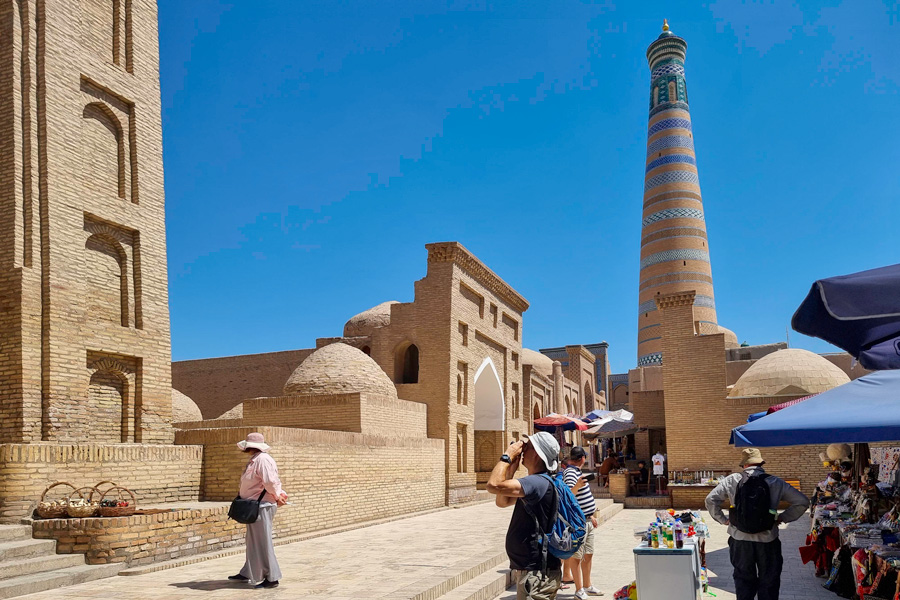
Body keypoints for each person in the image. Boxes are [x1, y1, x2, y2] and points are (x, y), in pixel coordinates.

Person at [705, 448, 810, 600]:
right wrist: (782, 518)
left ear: (744, 465)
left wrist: (723, 520)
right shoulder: (775, 481)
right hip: (767, 540)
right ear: (761, 463)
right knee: (769, 580)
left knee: (743, 580)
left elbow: (710, 500)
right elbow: (802, 501)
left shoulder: (732, 480)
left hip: (740, 539)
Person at [486, 431, 562, 600]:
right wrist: (511, 469)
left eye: (526, 447)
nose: (522, 451)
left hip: (536, 572)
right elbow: (502, 501)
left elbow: (493, 485)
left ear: (536, 453)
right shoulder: (538, 482)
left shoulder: (536, 483)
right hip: (535, 570)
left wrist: (506, 456)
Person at [228, 432, 288, 589]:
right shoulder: (255, 460)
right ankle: (249, 571)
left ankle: (271, 577)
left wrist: (276, 496)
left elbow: (270, 481)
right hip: (255, 506)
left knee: (263, 542)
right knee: (253, 541)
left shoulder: (263, 460)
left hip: (262, 506)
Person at [563, 447, 602, 598]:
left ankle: (587, 585)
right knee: (577, 557)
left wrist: (590, 515)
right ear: (583, 458)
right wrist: (578, 485)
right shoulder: (570, 472)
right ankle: (579, 590)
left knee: (588, 554)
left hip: (587, 520)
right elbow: (568, 495)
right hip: (577, 522)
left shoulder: (576, 471)